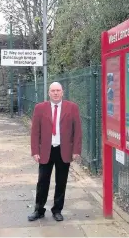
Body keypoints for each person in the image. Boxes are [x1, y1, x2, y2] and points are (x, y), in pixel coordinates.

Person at [28, 81, 82, 222]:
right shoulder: (40, 108)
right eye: (53, 91)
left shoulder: (72, 108)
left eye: (58, 90)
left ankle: (57, 210)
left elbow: (78, 131)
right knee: (42, 182)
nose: (56, 93)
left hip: (64, 151)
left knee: (61, 182)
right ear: (49, 93)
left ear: (62, 92)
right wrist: (35, 151)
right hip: (46, 150)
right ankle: (39, 210)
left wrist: (76, 150)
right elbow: (35, 132)